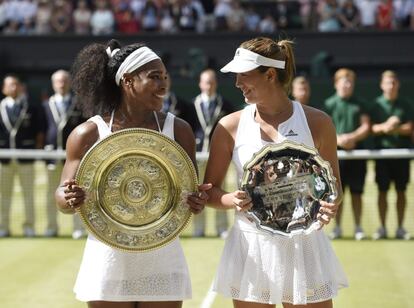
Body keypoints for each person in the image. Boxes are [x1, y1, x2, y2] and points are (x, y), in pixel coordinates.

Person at [55, 39, 211, 306]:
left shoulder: (180, 130)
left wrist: (197, 202)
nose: (163, 84)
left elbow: (189, 193)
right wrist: (68, 197)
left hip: (162, 256)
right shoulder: (86, 134)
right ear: (128, 81)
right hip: (108, 255)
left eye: (164, 77)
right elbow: (61, 198)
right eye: (154, 77)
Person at [203, 37, 348, 307]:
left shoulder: (319, 122)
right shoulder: (228, 127)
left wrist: (330, 204)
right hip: (251, 246)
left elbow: (334, 186)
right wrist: (231, 199)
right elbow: (210, 193)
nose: (237, 84)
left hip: (305, 245)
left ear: (270, 74)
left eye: (244, 76)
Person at [323, 68, 371, 241]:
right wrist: (338, 139)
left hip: (357, 153)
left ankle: (358, 227)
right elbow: (324, 129)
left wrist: (352, 137)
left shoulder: (360, 103)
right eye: (344, 81)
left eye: (350, 82)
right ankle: (338, 228)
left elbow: (366, 127)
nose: (347, 85)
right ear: (336, 84)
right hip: (336, 155)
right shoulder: (328, 104)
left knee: (357, 192)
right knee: (337, 192)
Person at [190, 68, 235, 238]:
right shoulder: (192, 105)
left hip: (217, 154)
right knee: (197, 191)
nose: (209, 85)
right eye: (206, 82)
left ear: (216, 83)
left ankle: (221, 227)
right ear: (200, 84)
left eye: (211, 82)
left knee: (219, 189)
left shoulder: (225, 104)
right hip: (198, 154)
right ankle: (198, 229)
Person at [43, 69, 87, 238]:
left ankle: (78, 228)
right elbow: (42, 130)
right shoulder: (46, 105)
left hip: (74, 158)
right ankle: (51, 227)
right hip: (52, 157)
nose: (61, 84)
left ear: (70, 83)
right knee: (51, 194)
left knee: (75, 192)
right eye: (58, 81)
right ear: (53, 84)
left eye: (64, 81)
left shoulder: (79, 104)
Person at [0, 74, 45, 237]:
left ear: (20, 87)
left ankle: (29, 227)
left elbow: (39, 132)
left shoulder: (31, 107)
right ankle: (3, 227)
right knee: (3, 196)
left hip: (26, 157)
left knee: (28, 194)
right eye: (9, 85)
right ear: (4, 89)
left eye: (15, 85)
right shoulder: (1, 107)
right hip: (4, 158)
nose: (13, 88)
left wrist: (37, 149)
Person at [370, 70, 412, 240]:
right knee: (382, 191)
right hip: (382, 156)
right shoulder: (376, 104)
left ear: (398, 84)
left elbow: (409, 128)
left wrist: (395, 127)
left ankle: (401, 228)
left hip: (402, 155)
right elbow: (371, 128)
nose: (391, 85)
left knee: (401, 191)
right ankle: (382, 228)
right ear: (382, 85)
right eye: (388, 82)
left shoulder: (406, 104)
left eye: (394, 82)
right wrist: (385, 126)